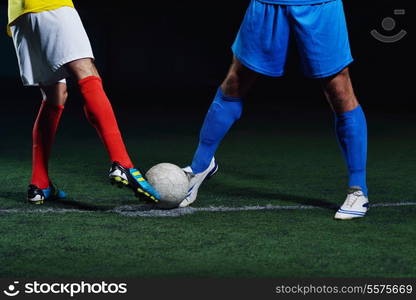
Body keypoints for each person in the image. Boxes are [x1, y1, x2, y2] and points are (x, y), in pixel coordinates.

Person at [181, 0, 369, 220]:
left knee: (339, 88)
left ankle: (358, 189)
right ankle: (200, 166)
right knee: (235, 81)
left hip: (319, 5)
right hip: (267, 4)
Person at [8, 0, 160, 204]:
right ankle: (123, 163)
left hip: (19, 15)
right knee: (86, 72)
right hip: (50, 6)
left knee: (55, 94)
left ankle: (39, 183)